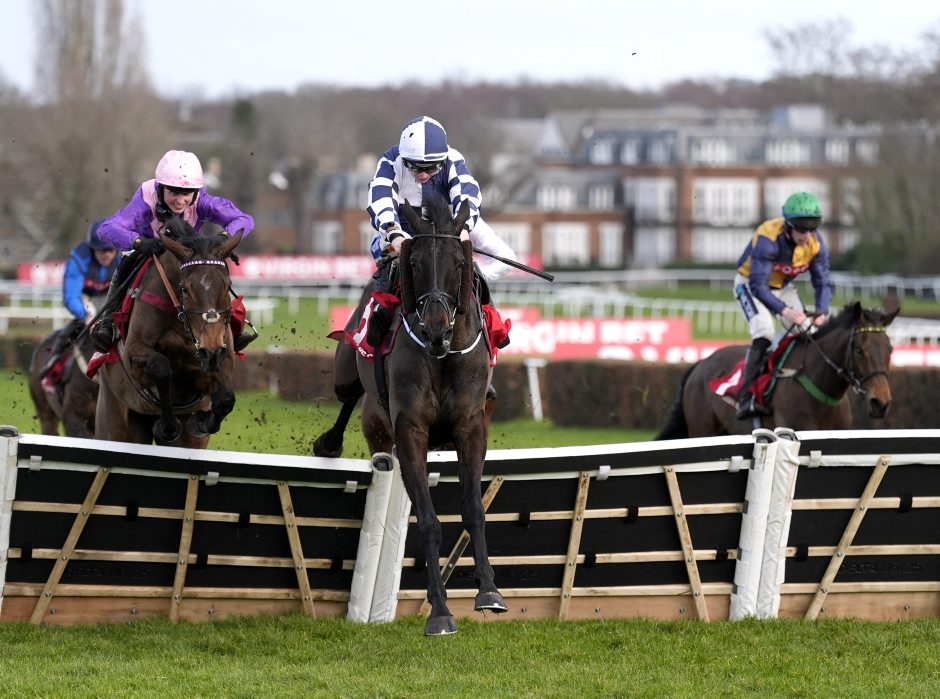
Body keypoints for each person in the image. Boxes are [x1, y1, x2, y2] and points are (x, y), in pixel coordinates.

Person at [365, 115, 517, 349]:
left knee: (505, 257)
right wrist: (394, 233)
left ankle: (489, 319)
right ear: (405, 159)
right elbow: (381, 197)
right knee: (391, 265)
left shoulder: (452, 159)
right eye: (415, 167)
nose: (423, 175)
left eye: (431, 168)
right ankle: (379, 316)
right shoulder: (391, 160)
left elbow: (467, 194)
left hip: (449, 229)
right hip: (404, 230)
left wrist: (463, 229)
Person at [90, 150, 256, 353]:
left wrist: (224, 237)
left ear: (195, 192)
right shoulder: (146, 197)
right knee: (124, 265)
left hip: (185, 254)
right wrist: (138, 242)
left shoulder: (202, 200)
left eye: (185, 193)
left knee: (212, 273)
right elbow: (106, 229)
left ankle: (232, 328)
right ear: (161, 188)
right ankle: (107, 322)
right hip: (149, 249)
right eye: (173, 192)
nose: (179, 200)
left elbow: (244, 220)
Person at [732, 191, 833, 419]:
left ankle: (796, 389)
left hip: (782, 287)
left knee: (809, 332)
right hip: (750, 285)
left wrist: (822, 311)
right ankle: (746, 397)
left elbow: (823, 282)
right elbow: (758, 286)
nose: (807, 235)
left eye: (812, 229)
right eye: (802, 229)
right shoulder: (768, 237)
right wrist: (786, 311)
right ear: (788, 226)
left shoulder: (816, 244)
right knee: (764, 332)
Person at [39, 219, 120, 385]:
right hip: (86, 297)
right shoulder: (79, 258)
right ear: (92, 248)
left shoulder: (122, 257)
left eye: (110, 250)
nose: (106, 254)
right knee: (87, 320)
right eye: (101, 250)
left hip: (110, 296)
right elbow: (71, 296)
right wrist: (85, 315)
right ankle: (52, 364)